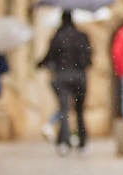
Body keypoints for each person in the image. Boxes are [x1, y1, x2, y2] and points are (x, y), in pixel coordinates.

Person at [37, 10, 93, 153]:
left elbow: (49, 57)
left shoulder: (57, 37)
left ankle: (65, 141)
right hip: (80, 77)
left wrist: (39, 64)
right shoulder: (82, 37)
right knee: (79, 110)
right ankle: (82, 141)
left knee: (64, 109)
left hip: (62, 76)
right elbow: (89, 59)